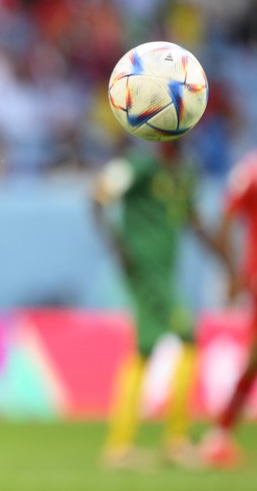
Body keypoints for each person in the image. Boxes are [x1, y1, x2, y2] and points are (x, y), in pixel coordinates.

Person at [91, 140, 232, 471]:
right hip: (145, 270)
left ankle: (119, 445)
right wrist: (118, 249)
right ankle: (176, 441)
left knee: (144, 350)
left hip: (165, 273)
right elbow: (96, 198)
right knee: (188, 337)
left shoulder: (185, 173)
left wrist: (227, 263)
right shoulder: (139, 166)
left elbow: (196, 224)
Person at [199, 117, 257, 469]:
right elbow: (226, 220)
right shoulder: (252, 172)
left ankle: (220, 434)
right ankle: (219, 435)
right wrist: (228, 272)